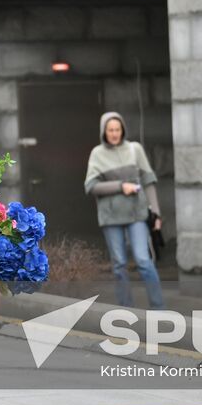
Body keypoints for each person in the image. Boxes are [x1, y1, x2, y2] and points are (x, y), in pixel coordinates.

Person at [84, 111, 164, 310]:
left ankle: (159, 307)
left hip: (137, 213)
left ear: (123, 130)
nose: (114, 133)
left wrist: (156, 212)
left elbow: (149, 181)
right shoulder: (97, 154)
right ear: (104, 131)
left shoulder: (135, 149)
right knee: (119, 264)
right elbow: (91, 186)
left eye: (117, 129)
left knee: (144, 260)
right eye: (110, 130)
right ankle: (126, 308)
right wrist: (121, 186)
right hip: (111, 217)